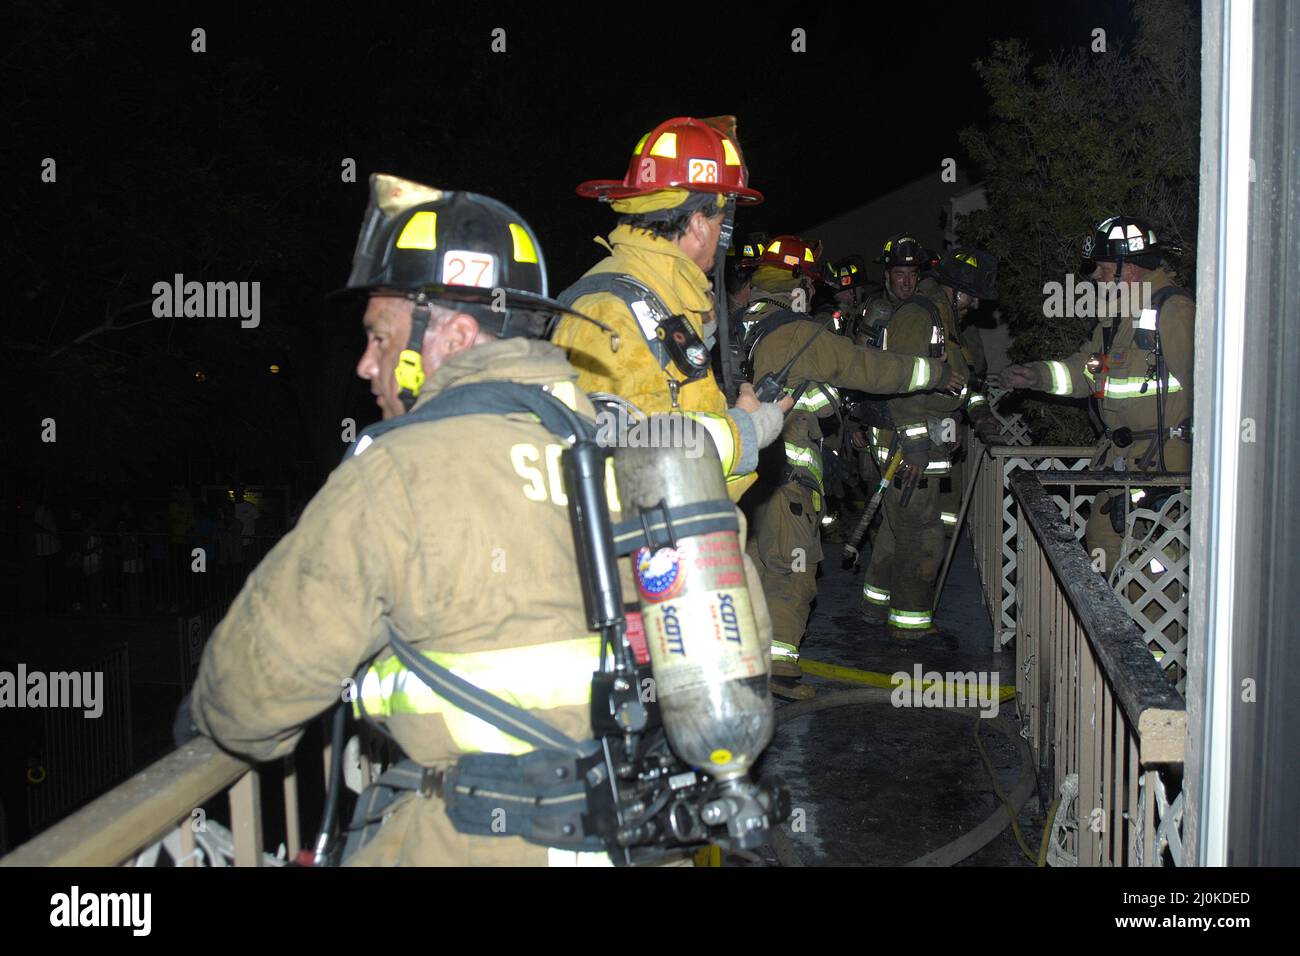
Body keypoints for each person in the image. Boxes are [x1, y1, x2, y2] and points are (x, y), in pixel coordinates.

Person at [181, 174, 714, 866]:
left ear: (455, 334)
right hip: (637, 833)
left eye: (380, 336)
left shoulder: (397, 470)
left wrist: (201, 714)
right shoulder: (626, 441)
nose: (365, 363)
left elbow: (255, 697)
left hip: (476, 842)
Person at [741, 235, 966, 697]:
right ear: (798, 283)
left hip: (738, 477)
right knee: (791, 570)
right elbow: (869, 368)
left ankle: (747, 659)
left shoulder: (738, 324)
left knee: (753, 563)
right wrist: (936, 372)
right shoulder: (799, 334)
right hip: (785, 476)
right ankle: (778, 671)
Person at [549, 116, 793, 503]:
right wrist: (747, 427)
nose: (723, 237)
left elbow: (665, 415)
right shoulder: (608, 314)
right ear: (698, 225)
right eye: (723, 223)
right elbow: (622, 469)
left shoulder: (660, 301)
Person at [993, 216, 1193, 571]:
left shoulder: (1175, 314)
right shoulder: (1116, 319)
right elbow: (1086, 372)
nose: (1095, 278)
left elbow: (1215, 397)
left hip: (1164, 477)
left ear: (1128, 267)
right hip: (1121, 470)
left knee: (1155, 577)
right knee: (1104, 548)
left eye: (1102, 268)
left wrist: (1192, 480)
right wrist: (1035, 376)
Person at [861, 248, 999, 638]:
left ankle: (875, 605)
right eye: (972, 296)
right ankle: (911, 626)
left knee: (895, 527)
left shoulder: (944, 321)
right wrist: (917, 443)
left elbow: (956, 383)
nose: (974, 305)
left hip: (919, 441)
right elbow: (899, 383)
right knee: (922, 535)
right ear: (957, 291)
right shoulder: (919, 316)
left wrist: (977, 413)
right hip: (904, 443)